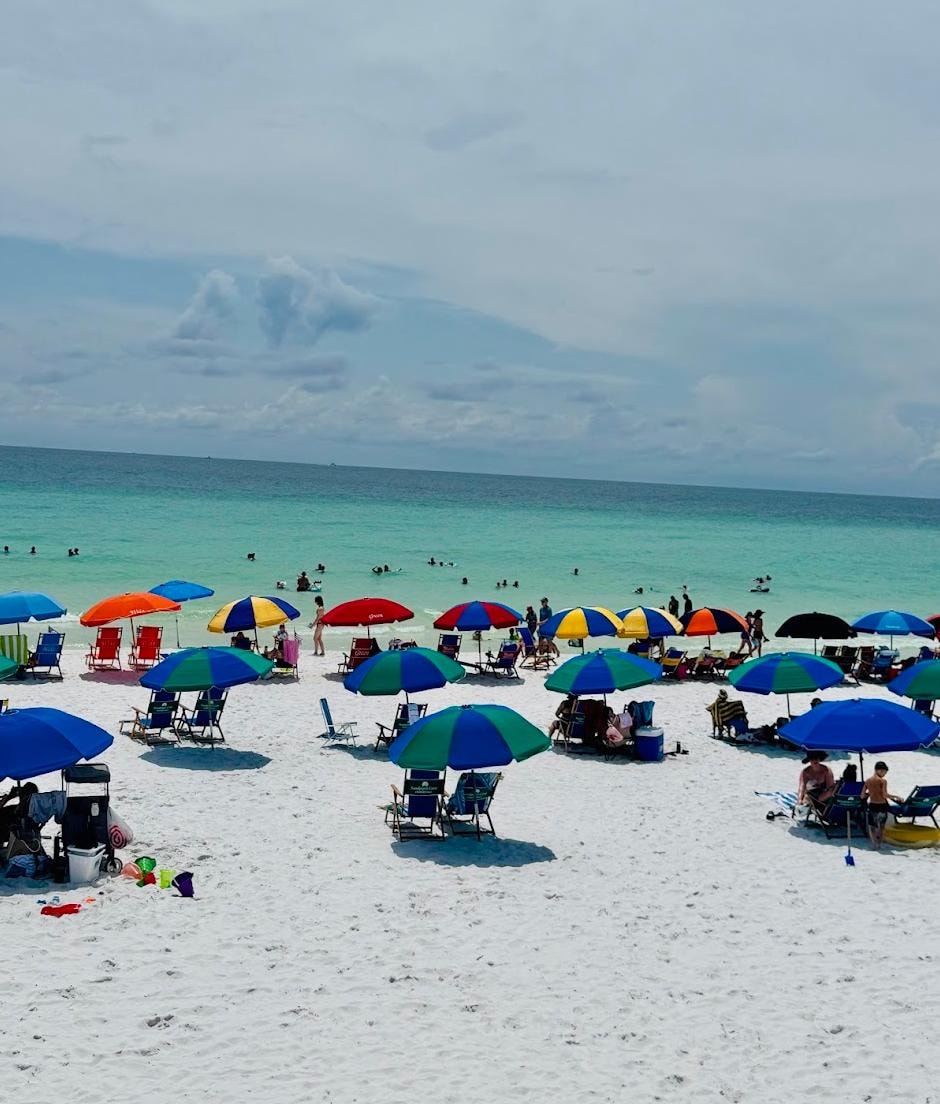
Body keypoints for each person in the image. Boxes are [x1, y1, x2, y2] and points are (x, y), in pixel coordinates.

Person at [862, 761, 902, 850]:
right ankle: (879, 844)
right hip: (882, 805)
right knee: (882, 826)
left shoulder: (868, 781)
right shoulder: (883, 781)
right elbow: (884, 795)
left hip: (872, 805)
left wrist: (870, 793)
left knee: (872, 826)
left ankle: (874, 844)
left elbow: (862, 795)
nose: (884, 774)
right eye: (884, 772)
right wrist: (896, 797)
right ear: (879, 770)